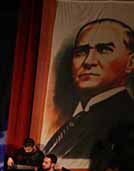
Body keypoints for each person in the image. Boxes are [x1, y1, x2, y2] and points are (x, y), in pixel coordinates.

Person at [44, 18, 134, 159]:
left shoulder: (126, 118)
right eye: (81, 52)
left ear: (130, 62)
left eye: (104, 50)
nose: (88, 62)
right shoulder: (77, 119)